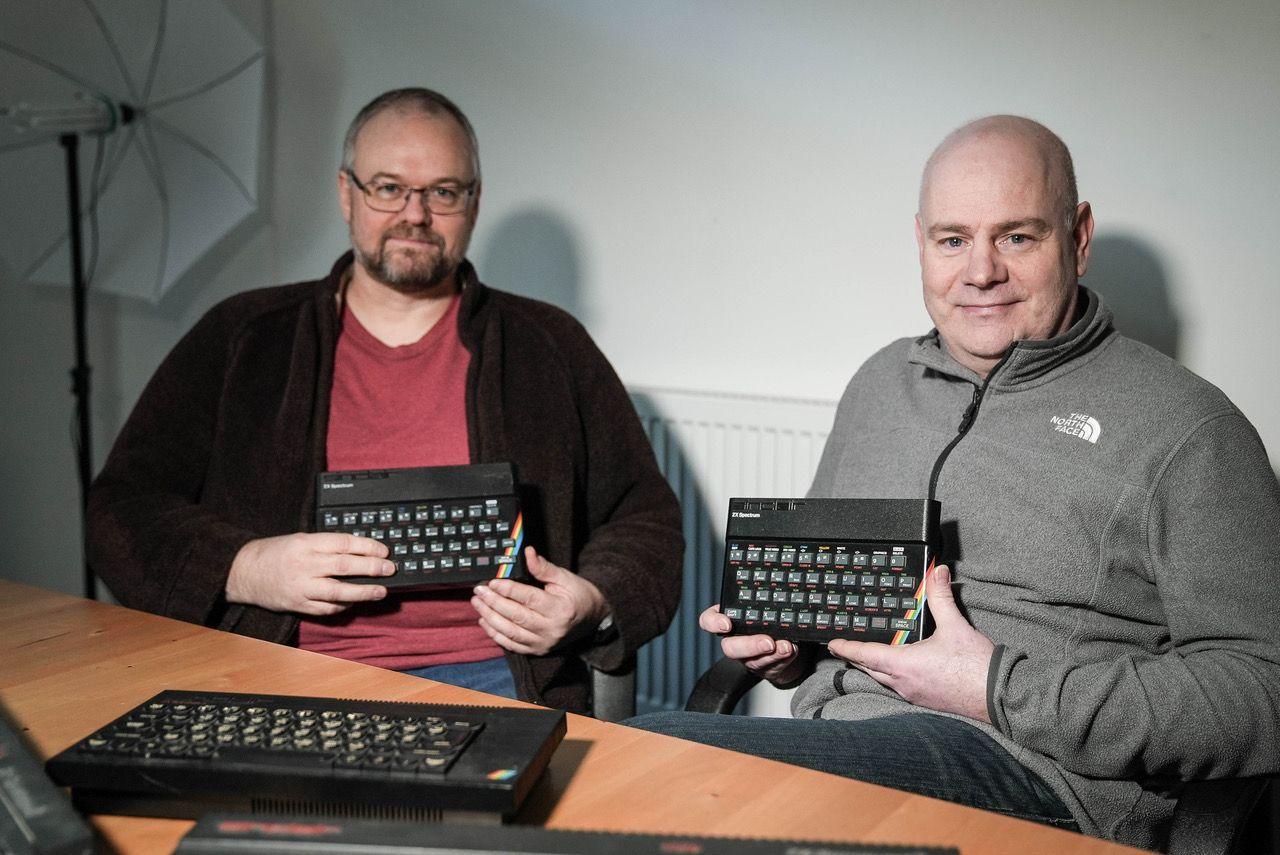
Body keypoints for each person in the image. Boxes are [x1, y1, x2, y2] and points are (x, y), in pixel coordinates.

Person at [627, 115, 1280, 850]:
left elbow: (1264, 689)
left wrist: (1001, 685)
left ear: (1080, 236)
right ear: (921, 243)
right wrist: (787, 646)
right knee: (624, 766)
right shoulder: (879, 383)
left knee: (652, 771)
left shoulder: (1189, 427)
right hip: (842, 740)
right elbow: (827, 616)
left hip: (1028, 775)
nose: (980, 272)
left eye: (1018, 236)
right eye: (953, 239)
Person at [87, 88, 683, 714]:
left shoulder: (549, 345)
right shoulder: (245, 337)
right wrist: (243, 565)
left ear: (473, 203)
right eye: (388, 187)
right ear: (347, 193)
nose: (415, 214)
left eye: (443, 192)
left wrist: (592, 601)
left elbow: (644, 518)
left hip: (494, 677)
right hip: (275, 670)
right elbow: (120, 508)